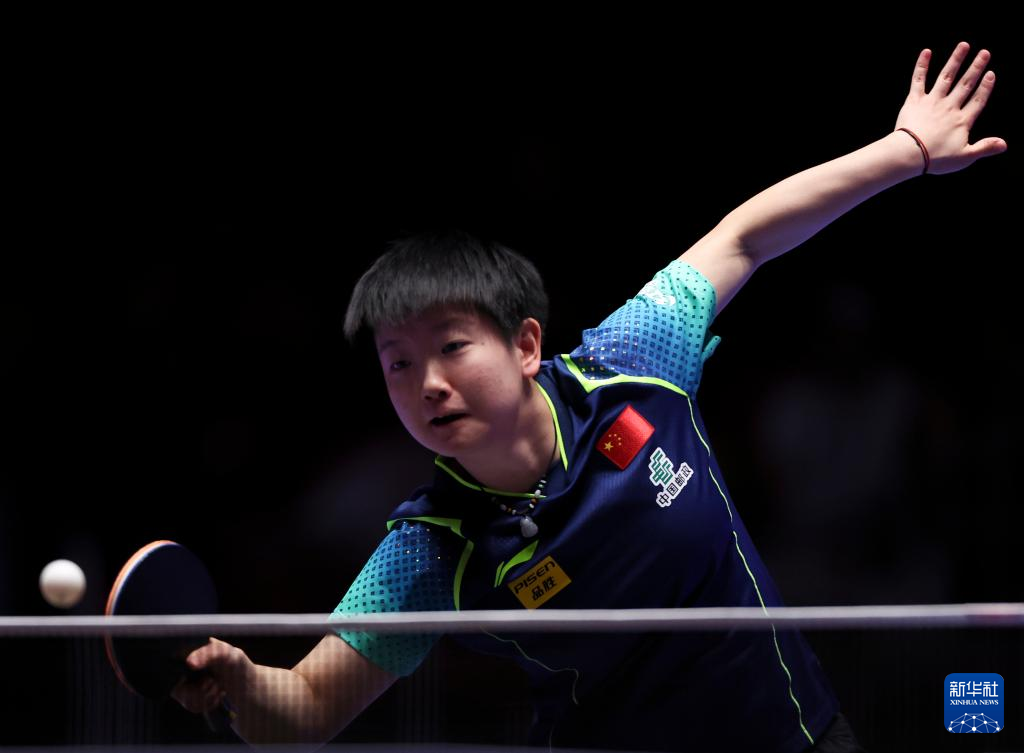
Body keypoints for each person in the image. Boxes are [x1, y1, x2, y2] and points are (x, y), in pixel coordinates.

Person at [172, 41, 1006, 751]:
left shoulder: (631, 362)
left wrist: (907, 149)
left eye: (452, 347)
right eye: (397, 364)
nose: (427, 383)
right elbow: (306, 707)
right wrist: (243, 680)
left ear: (525, 344)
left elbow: (744, 236)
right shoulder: (434, 550)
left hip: (800, 735)